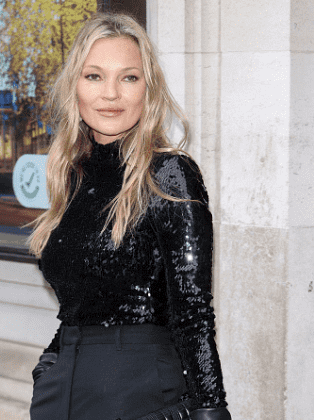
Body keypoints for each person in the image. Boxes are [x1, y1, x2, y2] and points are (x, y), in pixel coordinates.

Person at [27, 13, 231, 420]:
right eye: (95, 76)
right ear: (75, 88)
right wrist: (49, 363)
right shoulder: (72, 175)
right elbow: (78, 300)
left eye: (129, 78)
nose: (111, 95)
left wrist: (211, 408)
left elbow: (192, 310)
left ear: (148, 89)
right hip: (60, 391)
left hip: (138, 390)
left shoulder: (169, 174)